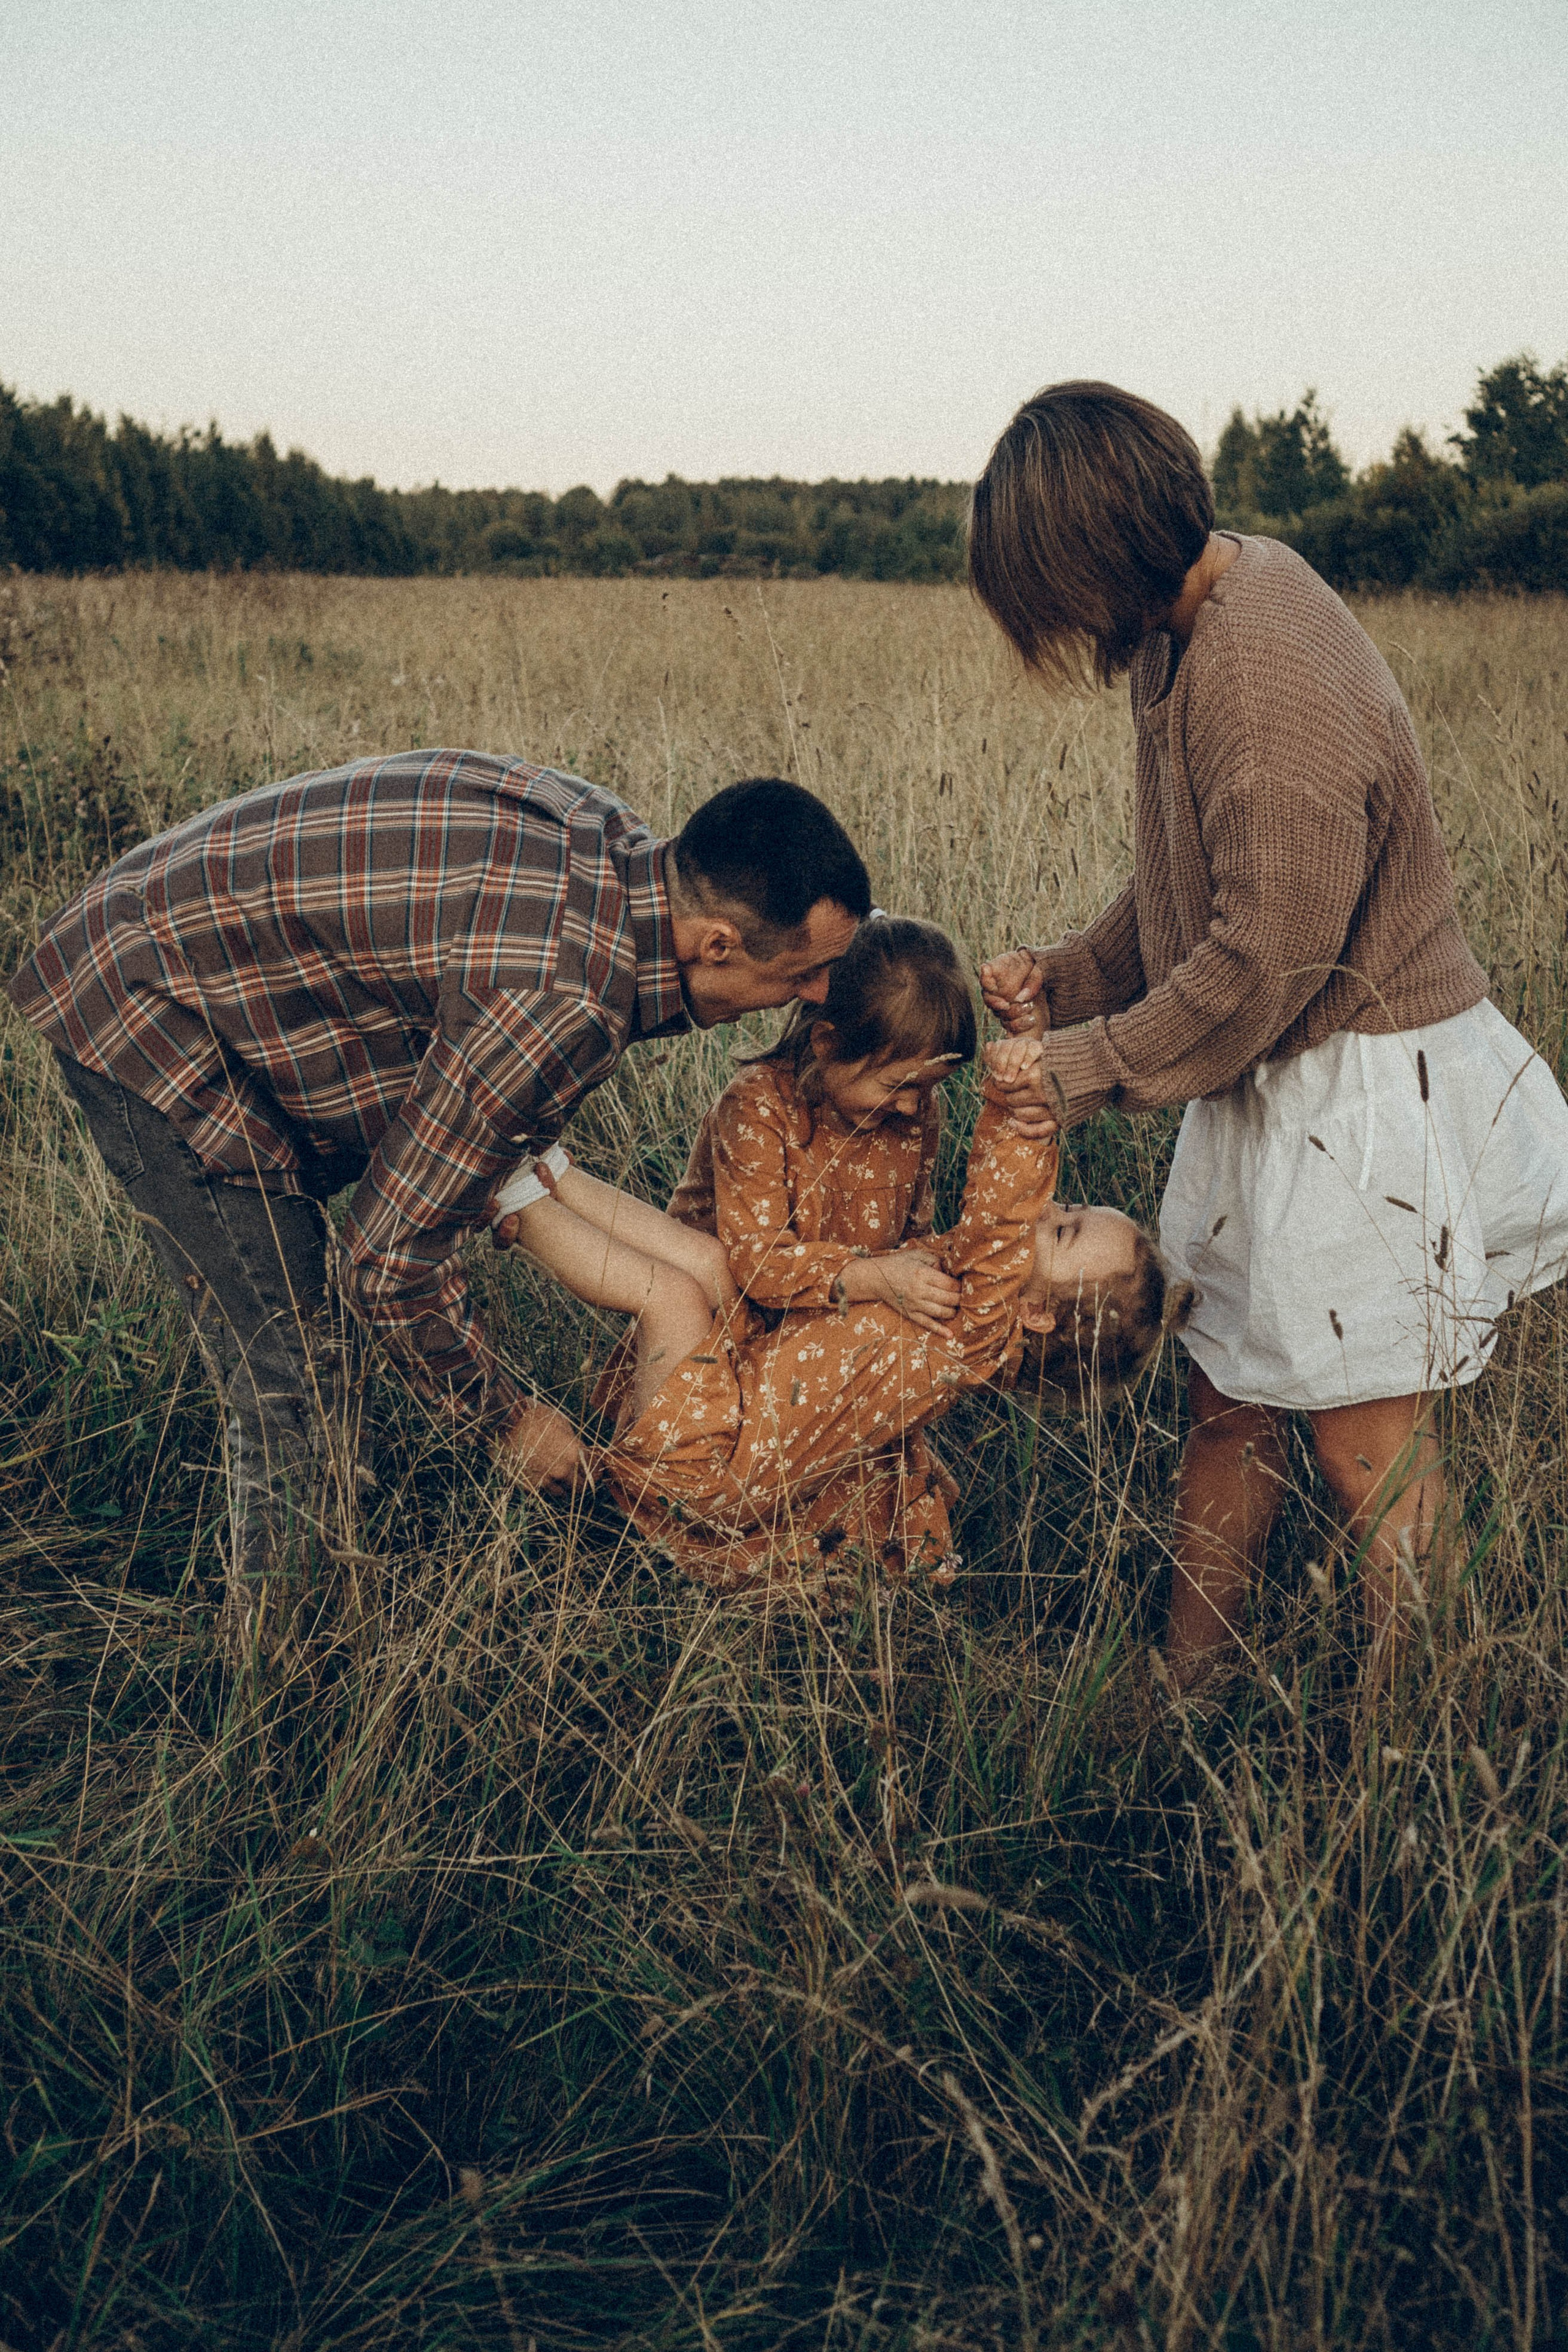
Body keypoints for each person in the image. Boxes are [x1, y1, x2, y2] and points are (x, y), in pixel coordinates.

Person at [969, 380, 1568, 1687]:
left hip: (1355, 1089)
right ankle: (1183, 1688)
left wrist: (1070, 1073)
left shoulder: (1263, 673)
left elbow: (1261, 966)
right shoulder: (1179, 630)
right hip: (1271, 1086)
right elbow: (1190, 888)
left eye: (1045, 593)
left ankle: (1417, 1749)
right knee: (1224, 1398)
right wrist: (1070, 977)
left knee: (1369, 1451)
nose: (1055, 631)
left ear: (1091, 556)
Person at [9, 752, 870, 1651]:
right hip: (146, 1010)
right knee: (299, 1376)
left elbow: (477, 1111)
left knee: (313, 1365)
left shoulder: (617, 856)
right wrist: (508, 1421)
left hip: (172, 941)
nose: (815, 999)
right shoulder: (559, 999)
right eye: (805, 974)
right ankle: (282, 1691)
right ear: (716, 943)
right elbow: (385, 1261)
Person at [496, 1033, 1175, 1596]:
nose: (1049, 1210)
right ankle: (551, 1169)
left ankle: (509, 1202)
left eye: (1064, 1232)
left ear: (1033, 1314)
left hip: (706, 1463)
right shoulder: (969, 1320)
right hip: (738, 1392)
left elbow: (1001, 1207)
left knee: (668, 1296)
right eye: (1070, 1208)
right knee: (708, 1265)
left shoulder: (983, 1317)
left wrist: (1013, 1101)